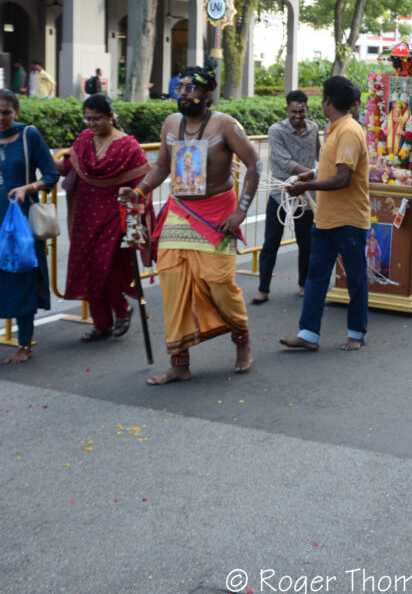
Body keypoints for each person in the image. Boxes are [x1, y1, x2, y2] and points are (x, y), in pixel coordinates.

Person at [119, 67, 260, 384]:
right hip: (180, 212)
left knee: (219, 281)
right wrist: (139, 190)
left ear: (207, 94)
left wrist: (241, 212)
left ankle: (242, 338)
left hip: (217, 214)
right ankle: (179, 363)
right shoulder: (170, 123)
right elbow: (161, 167)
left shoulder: (225, 125)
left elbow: (255, 164)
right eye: (179, 88)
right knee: (173, 282)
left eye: (189, 88)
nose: (182, 93)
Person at [280, 75, 370, 353]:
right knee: (316, 277)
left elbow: (344, 178)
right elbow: (333, 169)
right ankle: (308, 333)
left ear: (328, 100)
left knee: (355, 278)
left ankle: (356, 332)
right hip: (326, 217)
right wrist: (312, 174)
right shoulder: (335, 128)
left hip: (349, 219)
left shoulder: (349, 131)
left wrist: (307, 185)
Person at [58, 94, 151, 341]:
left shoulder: (128, 145)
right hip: (85, 214)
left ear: (111, 116)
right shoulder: (84, 140)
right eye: (88, 119)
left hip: (113, 214)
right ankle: (101, 324)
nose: (92, 124)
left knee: (105, 267)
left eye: (97, 118)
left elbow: (143, 182)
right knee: (87, 266)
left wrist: (136, 210)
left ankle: (122, 309)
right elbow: (69, 167)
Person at [0, 89, 58, 362]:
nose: (1, 118)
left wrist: (27, 187)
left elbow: (51, 174)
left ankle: (25, 345)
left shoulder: (28, 135)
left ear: (16, 112)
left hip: (19, 225)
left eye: (6, 113)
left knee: (22, 278)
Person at [252, 90, 320, 305]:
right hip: (280, 194)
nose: (298, 115)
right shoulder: (276, 130)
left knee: (306, 243)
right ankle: (263, 290)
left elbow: (320, 154)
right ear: (286, 110)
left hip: (306, 195)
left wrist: (324, 171)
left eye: (301, 111)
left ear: (307, 109)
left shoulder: (313, 129)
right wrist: (309, 173)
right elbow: (284, 162)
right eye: (293, 111)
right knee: (270, 242)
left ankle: (303, 285)